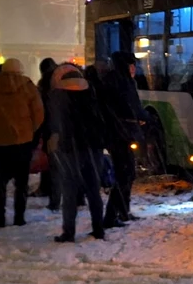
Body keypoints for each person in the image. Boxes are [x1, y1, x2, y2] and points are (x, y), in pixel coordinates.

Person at [0, 58, 44, 228]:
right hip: (22, 142)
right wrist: (28, 129)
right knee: (21, 183)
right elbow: (39, 114)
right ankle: (19, 217)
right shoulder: (28, 88)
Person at [48, 63, 105, 242]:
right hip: (92, 147)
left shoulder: (58, 95)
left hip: (69, 149)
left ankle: (69, 232)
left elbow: (54, 122)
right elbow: (100, 119)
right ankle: (98, 229)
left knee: (69, 191)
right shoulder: (92, 92)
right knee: (93, 190)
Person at [100, 51, 144, 227]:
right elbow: (131, 107)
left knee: (126, 173)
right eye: (131, 65)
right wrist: (144, 117)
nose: (134, 69)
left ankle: (122, 211)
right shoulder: (122, 82)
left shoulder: (111, 80)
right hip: (120, 135)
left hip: (116, 134)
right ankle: (111, 216)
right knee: (125, 174)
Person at [34, 58, 58, 209]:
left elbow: (40, 108)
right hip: (60, 127)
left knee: (50, 160)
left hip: (48, 127)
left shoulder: (43, 84)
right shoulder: (60, 82)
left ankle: (47, 189)